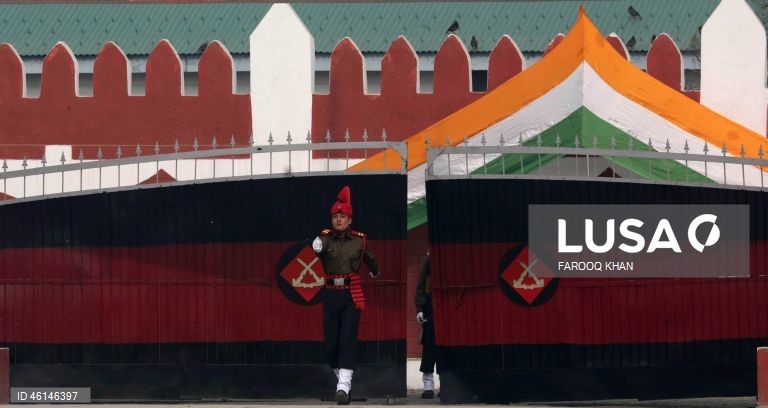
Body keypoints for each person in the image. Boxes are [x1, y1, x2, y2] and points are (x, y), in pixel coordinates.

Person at [312, 185, 379, 405]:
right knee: (331, 341)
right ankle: (341, 379)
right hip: (331, 294)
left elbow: (370, 259)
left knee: (348, 338)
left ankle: (343, 386)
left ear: (350, 220)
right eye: (335, 216)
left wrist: (375, 270)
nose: (339, 220)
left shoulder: (359, 241)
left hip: (351, 294)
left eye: (343, 216)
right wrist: (315, 247)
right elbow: (316, 250)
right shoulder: (324, 239)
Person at [414, 251, 437, 399]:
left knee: (447, 346)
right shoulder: (430, 256)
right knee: (429, 344)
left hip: (450, 302)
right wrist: (420, 308)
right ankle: (428, 385)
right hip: (431, 301)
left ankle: (446, 382)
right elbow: (421, 284)